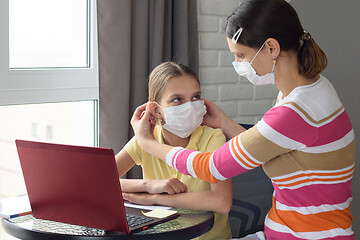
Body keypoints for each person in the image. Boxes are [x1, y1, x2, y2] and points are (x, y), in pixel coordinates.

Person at [129, 0, 355, 239]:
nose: (238, 64)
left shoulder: (296, 110)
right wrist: (225, 123)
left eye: (241, 55)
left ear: (271, 48)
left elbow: (211, 167)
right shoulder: (312, 88)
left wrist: (147, 143)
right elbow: (271, 150)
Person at [115, 62, 233, 240]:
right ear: (156, 110)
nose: (190, 106)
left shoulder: (213, 138)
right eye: (177, 99)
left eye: (195, 97)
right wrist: (150, 186)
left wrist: (155, 198)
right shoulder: (146, 138)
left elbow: (222, 202)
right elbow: (99, 183)